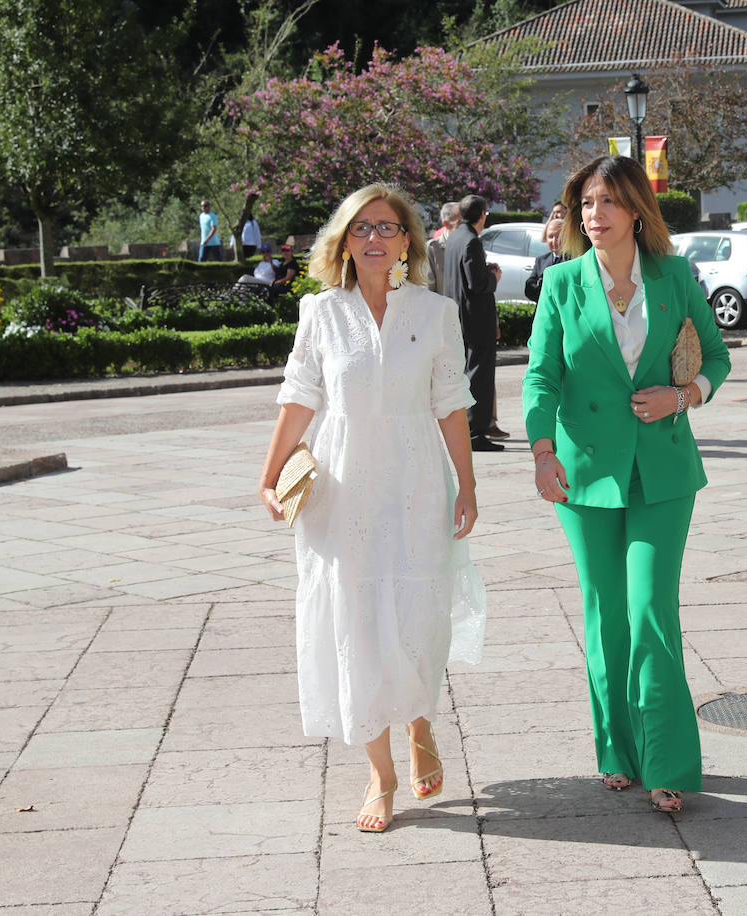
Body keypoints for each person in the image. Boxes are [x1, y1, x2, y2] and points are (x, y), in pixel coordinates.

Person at [258, 182, 486, 835]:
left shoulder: (436, 312)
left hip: (416, 482)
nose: (375, 239)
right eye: (363, 228)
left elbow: (451, 405)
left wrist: (466, 486)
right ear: (345, 241)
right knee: (355, 621)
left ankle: (419, 724)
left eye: (387, 228)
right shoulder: (321, 313)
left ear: (408, 240)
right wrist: (269, 474)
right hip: (343, 486)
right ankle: (380, 774)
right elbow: (298, 398)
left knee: (416, 612)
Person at [523, 155, 731, 814]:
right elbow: (540, 377)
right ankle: (617, 748)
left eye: (609, 201)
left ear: (637, 209)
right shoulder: (561, 286)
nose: (596, 214)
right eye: (587, 203)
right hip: (584, 474)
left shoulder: (672, 276)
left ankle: (667, 760)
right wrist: (541, 451)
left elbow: (719, 357)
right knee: (606, 614)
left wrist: (685, 394)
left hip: (664, 469)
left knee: (650, 611)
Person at [444, 194, 504, 452]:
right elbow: (477, 283)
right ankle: (476, 431)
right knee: (479, 373)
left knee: (466, 371)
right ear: (482, 215)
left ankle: (470, 428)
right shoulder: (470, 241)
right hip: (475, 317)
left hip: (458, 314)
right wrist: (494, 277)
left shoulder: (456, 237)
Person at [524, 217, 565, 303]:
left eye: (559, 236)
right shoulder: (541, 260)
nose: (554, 241)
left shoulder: (573, 259)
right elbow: (529, 288)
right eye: (550, 237)